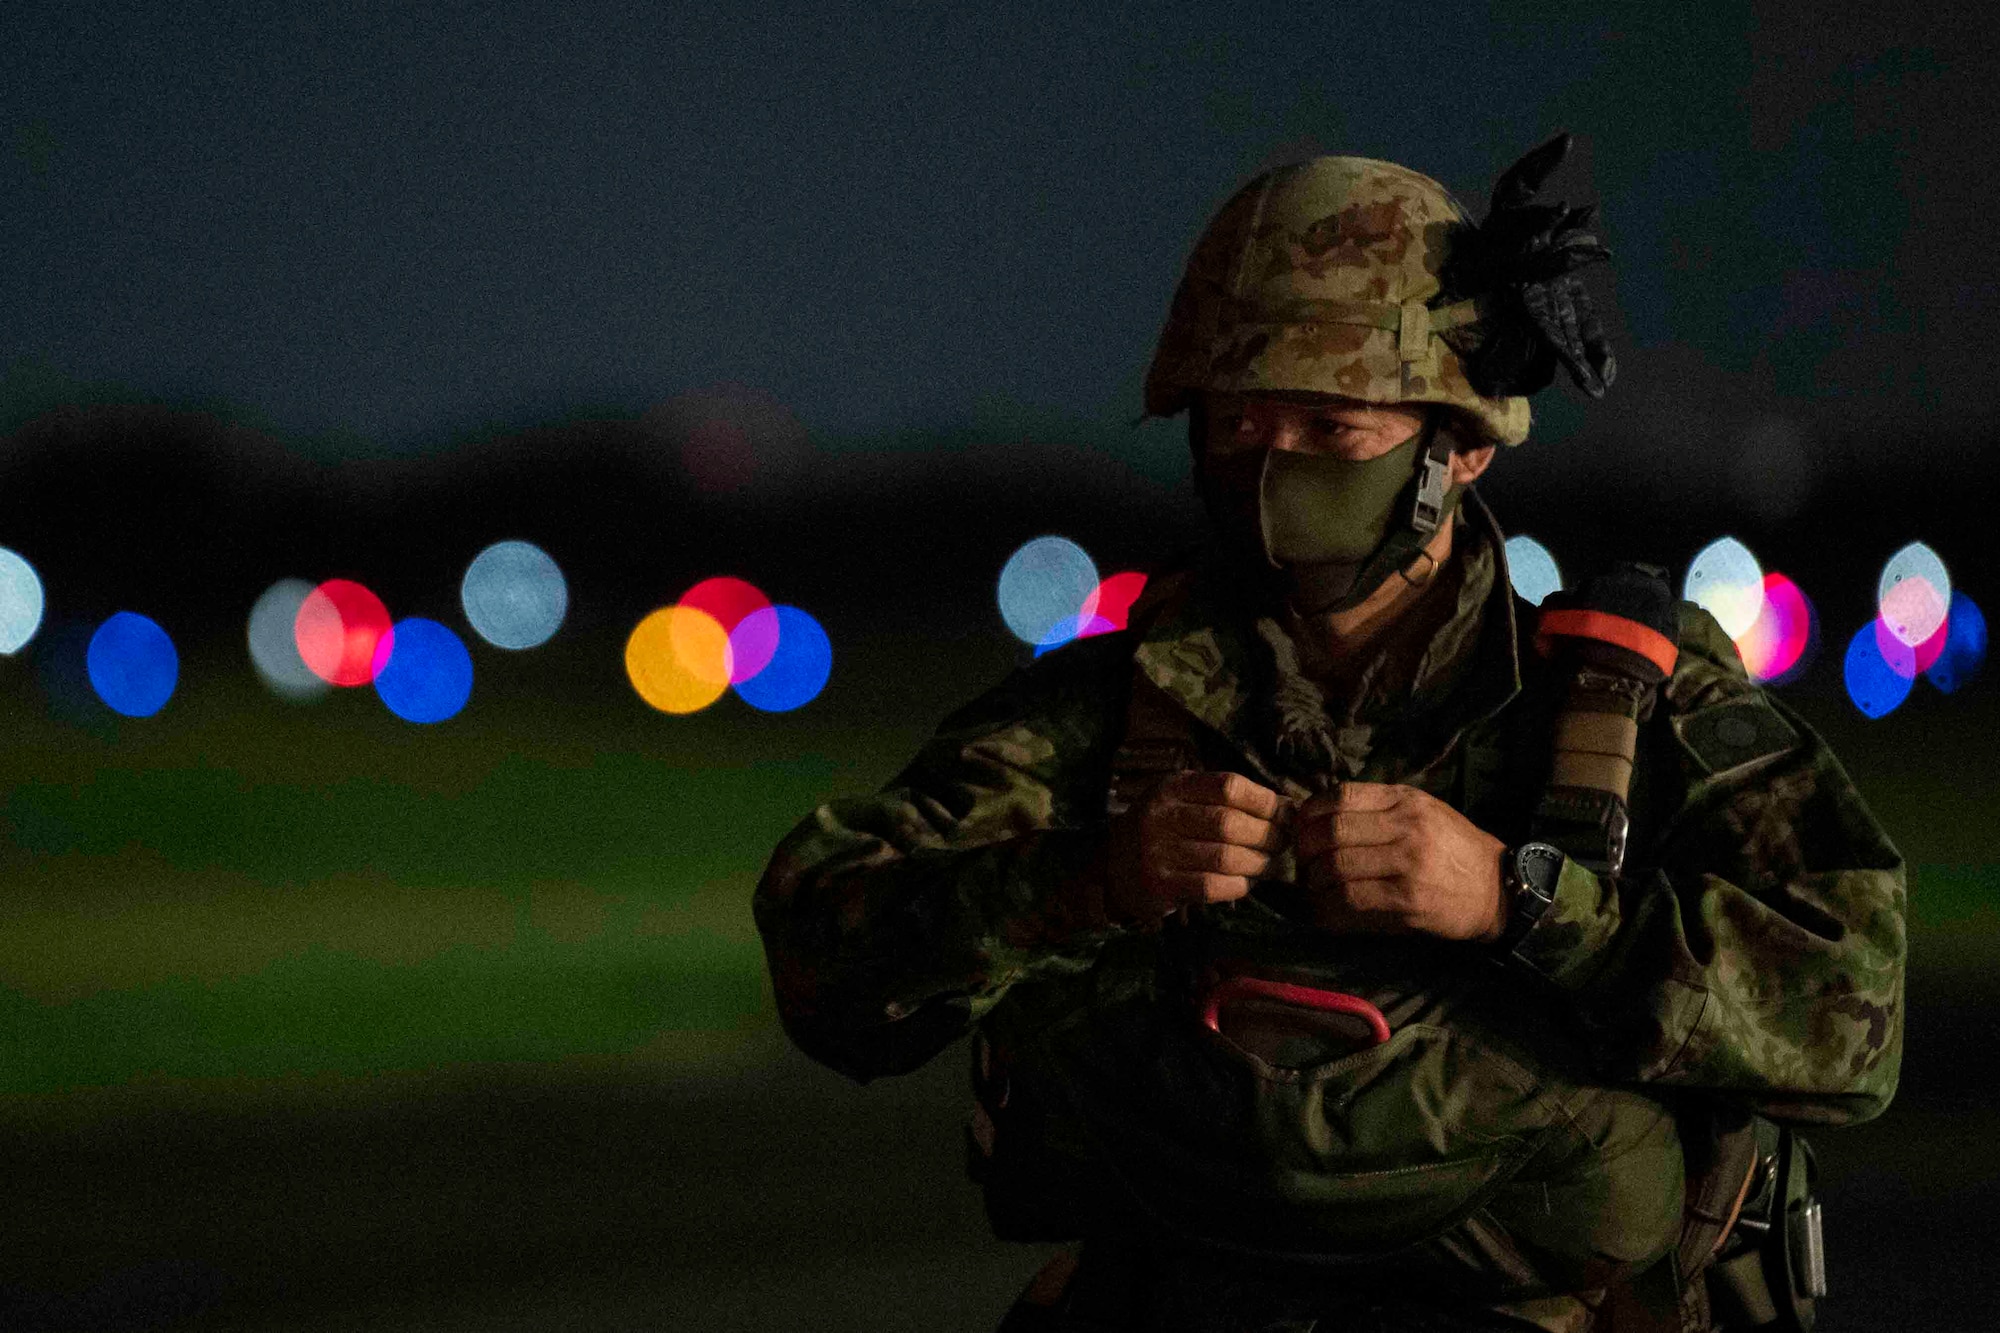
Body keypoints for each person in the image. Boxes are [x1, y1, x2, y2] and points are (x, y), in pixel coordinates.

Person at [752, 137, 1905, 1333]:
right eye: (1236, 422)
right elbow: (821, 952)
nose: (1270, 465)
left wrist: (1518, 899)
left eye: (1327, 425)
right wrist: (1089, 879)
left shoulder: (1616, 711)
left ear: (1460, 445)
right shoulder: (1113, 707)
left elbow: (1849, 1018)